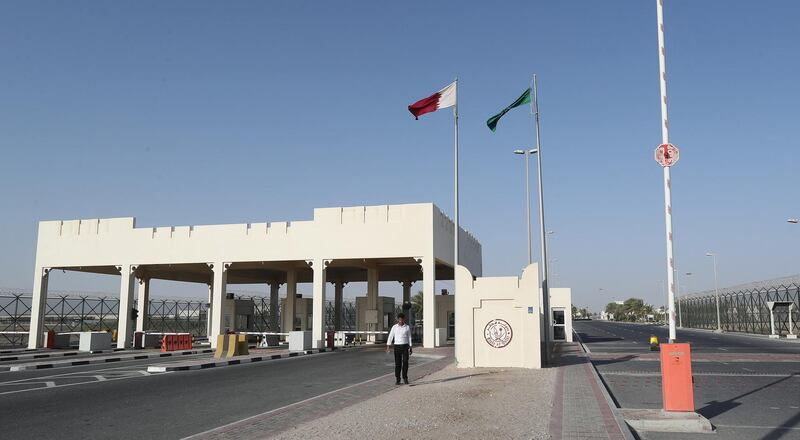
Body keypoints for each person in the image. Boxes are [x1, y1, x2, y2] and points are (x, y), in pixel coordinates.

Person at [386, 313, 412, 385]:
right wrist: (388, 346)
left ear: (404, 319)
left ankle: (405, 378)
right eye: (399, 319)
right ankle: (398, 379)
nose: (400, 321)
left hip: (405, 346)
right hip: (397, 346)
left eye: (402, 319)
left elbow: (409, 337)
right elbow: (391, 336)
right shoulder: (394, 327)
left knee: (405, 362)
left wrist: (410, 347)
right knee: (398, 364)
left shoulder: (407, 327)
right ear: (398, 319)